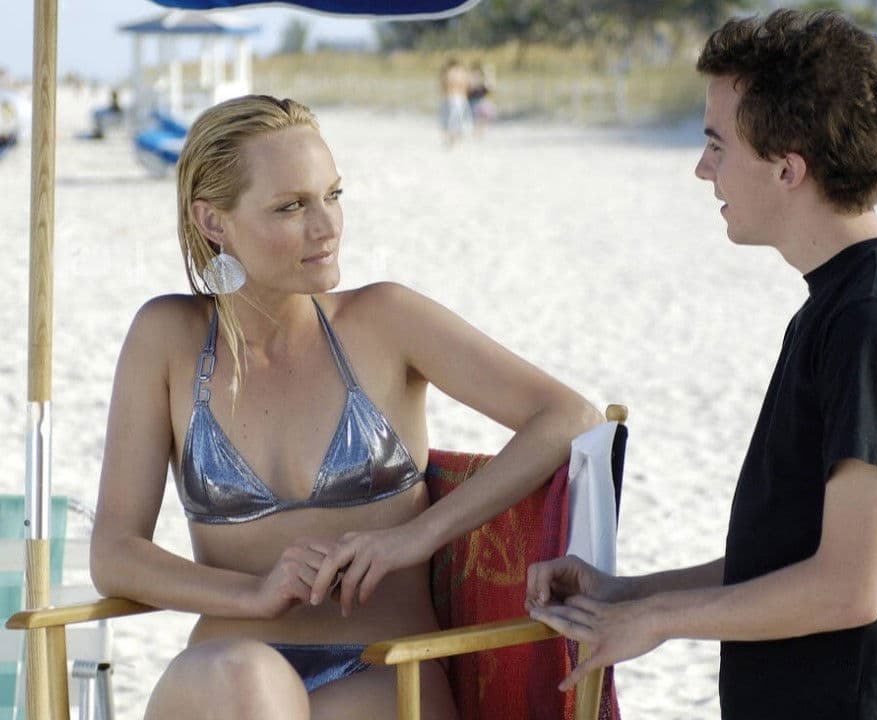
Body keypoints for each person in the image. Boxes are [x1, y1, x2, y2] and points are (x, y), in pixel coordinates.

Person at [526, 10, 877, 719]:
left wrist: (660, 620)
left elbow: (847, 588)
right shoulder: (847, 305)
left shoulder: (876, 322)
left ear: (787, 168)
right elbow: (790, 558)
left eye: (717, 144)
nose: (702, 168)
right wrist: (628, 595)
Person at [89, 94, 601, 720]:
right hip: (227, 670)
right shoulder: (168, 338)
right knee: (248, 681)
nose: (326, 226)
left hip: (382, 668)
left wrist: (415, 537)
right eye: (291, 206)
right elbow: (115, 554)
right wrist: (254, 594)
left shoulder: (385, 321)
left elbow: (569, 416)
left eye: (332, 195)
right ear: (214, 221)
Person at [438, 58, 472, 147]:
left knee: (450, 120)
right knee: (456, 120)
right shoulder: (460, 72)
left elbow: (444, 85)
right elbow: (466, 85)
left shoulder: (448, 72)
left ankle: (451, 138)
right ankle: (453, 138)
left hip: (450, 97)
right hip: (458, 98)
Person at [466, 61, 496, 138]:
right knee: (475, 117)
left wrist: (489, 74)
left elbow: (491, 89)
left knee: (482, 115)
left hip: (480, 102)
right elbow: (468, 91)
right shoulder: (470, 80)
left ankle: (480, 131)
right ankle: (476, 131)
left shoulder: (483, 81)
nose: (476, 76)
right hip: (472, 102)